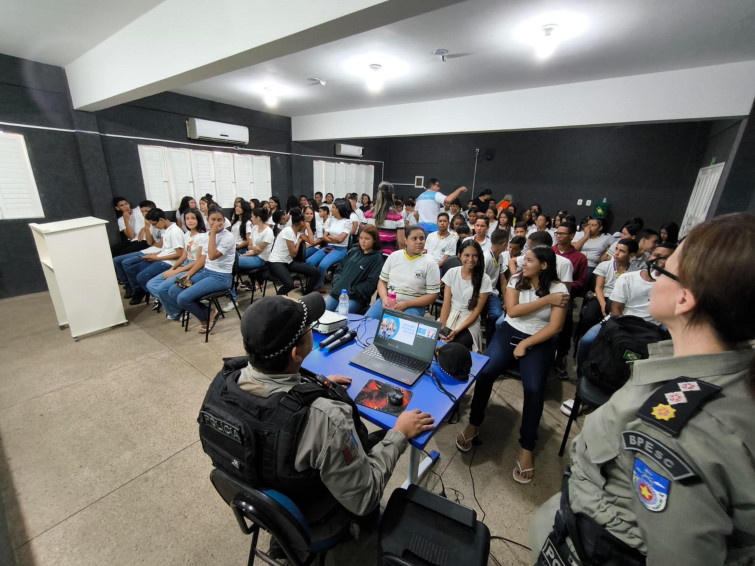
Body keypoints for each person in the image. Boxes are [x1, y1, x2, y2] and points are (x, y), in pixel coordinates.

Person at [529, 212, 755, 566]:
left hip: (600, 547)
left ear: (684, 300)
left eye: (662, 272)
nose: (651, 276)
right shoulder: (729, 374)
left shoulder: (674, 431)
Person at [231, 292, 435, 545]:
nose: (312, 331)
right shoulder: (326, 419)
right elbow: (365, 496)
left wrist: (314, 384)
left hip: (266, 494)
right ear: (297, 353)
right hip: (313, 511)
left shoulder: (226, 383)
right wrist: (400, 433)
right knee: (385, 435)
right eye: (309, 328)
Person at [456, 247, 568, 485]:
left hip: (540, 339)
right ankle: (474, 423)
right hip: (509, 332)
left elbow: (555, 327)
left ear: (544, 265)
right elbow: (514, 311)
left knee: (534, 389)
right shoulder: (517, 280)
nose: (521, 263)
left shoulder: (560, 289)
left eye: (529, 260)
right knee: (485, 373)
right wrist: (547, 300)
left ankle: (527, 446)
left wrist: (527, 343)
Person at [172, 207, 236, 333]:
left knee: (183, 298)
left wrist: (213, 233)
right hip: (206, 272)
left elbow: (212, 256)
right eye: (213, 220)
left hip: (220, 278)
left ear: (224, 221)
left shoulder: (227, 237)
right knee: (174, 289)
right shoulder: (206, 235)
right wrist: (189, 274)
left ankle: (207, 316)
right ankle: (208, 311)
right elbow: (203, 259)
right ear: (208, 219)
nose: (216, 223)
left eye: (220, 220)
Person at [365, 226, 440, 319]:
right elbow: (382, 281)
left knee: (400, 329)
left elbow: (432, 295)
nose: (419, 242)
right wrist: (384, 298)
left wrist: (407, 304)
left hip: (413, 305)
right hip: (388, 301)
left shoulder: (430, 263)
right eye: (414, 238)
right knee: (366, 322)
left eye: (422, 238)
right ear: (406, 240)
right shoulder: (394, 256)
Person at [146, 207, 207, 320]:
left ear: (199, 219)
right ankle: (175, 307)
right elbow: (184, 256)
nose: (190, 221)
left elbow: (198, 262)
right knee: (151, 284)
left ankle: (178, 311)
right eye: (187, 218)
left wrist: (177, 271)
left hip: (195, 269)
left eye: (193, 218)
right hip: (184, 266)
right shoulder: (187, 234)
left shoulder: (203, 237)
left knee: (163, 288)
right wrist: (172, 269)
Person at [124, 208, 185, 305]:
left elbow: (179, 254)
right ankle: (145, 292)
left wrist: (156, 258)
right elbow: (166, 250)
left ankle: (165, 300)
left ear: (161, 220)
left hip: (169, 262)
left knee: (142, 277)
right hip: (161, 258)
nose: (155, 227)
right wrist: (154, 255)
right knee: (132, 268)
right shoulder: (167, 230)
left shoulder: (175, 231)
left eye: (154, 224)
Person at [552, 220, 589, 379]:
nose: (558, 236)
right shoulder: (549, 251)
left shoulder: (579, 257)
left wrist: (564, 285)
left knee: (565, 322)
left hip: (565, 295)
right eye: (557, 233)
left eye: (562, 233)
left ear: (572, 235)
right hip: (544, 293)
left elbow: (581, 282)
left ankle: (561, 357)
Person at [439, 240, 492, 351]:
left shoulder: (484, 279)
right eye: (466, 255)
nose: (471, 260)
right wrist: (443, 327)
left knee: (455, 347)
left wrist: (456, 331)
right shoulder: (452, 273)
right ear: (459, 256)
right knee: (433, 341)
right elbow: (446, 304)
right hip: (450, 315)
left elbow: (476, 312)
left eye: (475, 256)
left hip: (469, 321)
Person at [609, 243, 676, 324]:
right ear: (649, 256)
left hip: (651, 329)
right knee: (590, 336)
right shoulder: (627, 278)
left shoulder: (673, 286)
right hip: (622, 324)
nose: (661, 262)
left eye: (667, 258)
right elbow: (616, 310)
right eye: (657, 256)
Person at [325, 225, 382, 314]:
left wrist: (352, 291)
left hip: (355, 298)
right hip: (337, 292)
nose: (363, 241)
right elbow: (339, 269)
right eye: (361, 238)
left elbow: (371, 284)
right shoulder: (353, 251)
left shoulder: (377, 258)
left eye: (367, 239)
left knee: (338, 316)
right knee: (320, 312)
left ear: (374, 240)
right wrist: (336, 282)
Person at [267, 207, 323, 296]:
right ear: (301, 223)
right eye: (304, 222)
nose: (305, 224)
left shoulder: (299, 233)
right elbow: (293, 254)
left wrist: (308, 226)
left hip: (288, 261)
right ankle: (277, 301)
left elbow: (313, 242)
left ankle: (307, 294)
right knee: (289, 284)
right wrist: (299, 243)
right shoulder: (288, 231)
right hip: (276, 262)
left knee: (315, 272)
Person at [306, 198, 353, 286]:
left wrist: (331, 237)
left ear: (339, 209)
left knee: (323, 266)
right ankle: (316, 281)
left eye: (334, 207)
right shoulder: (332, 219)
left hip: (340, 249)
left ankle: (319, 285)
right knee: (309, 262)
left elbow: (341, 240)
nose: (331, 209)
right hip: (329, 247)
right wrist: (334, 238)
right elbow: (324, 236)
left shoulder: (348, 222)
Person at [364, 182, 405, 257]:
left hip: (369, 254)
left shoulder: (368, 215)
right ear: (392, 196)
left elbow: (363, 235)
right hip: (388, 256)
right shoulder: (397, 217)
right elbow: (401, 242)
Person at [238, 207, 274, 271]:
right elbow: (250, 246)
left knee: (233, 261)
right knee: (231, 259)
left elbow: (257, 251)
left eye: (252, 217)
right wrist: (253, 248)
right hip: (251, 254)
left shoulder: (268, 232)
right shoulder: (255, 227)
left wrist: (244, 255)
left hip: (261, 259)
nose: (251, 219)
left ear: (258, 218)